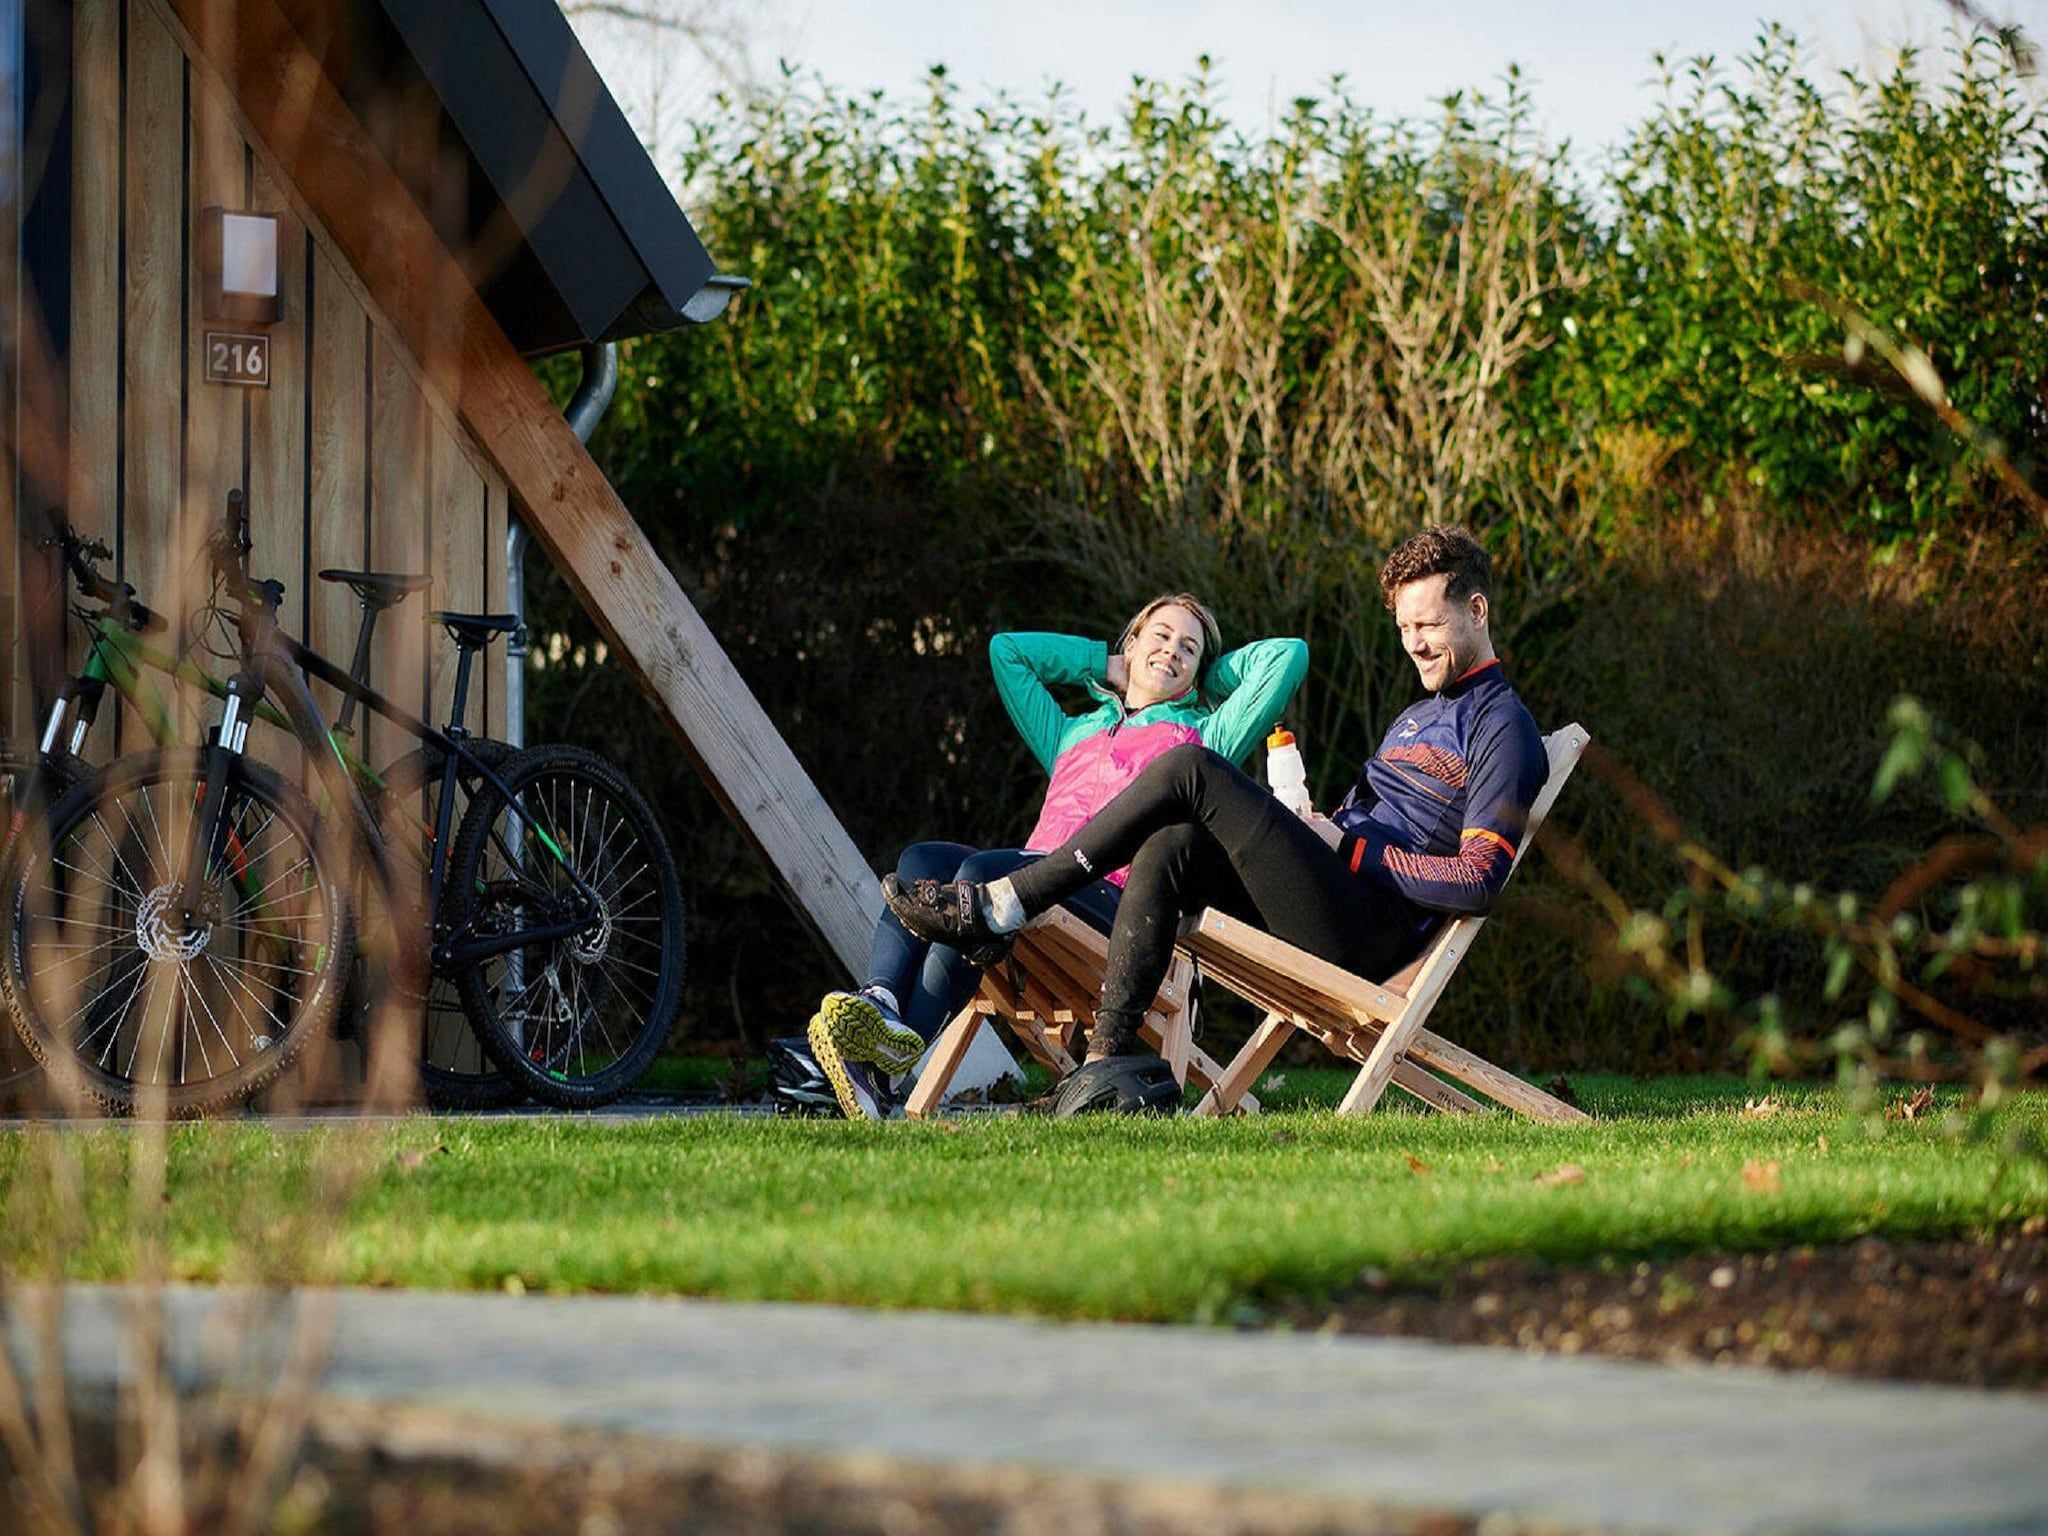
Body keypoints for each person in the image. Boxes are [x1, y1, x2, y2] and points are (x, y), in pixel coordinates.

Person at [883, 526, 1546, 1113]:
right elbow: (1368, 826)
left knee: (1189, 769)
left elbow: (1479, 879)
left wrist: (1344, 847)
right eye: (1403, 629)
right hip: (1334, 894)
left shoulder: (1502, 726)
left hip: (1370, 931)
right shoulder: (1416, 715)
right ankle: (1100, 1065)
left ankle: (1011, 900)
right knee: (1173, 841)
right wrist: (1319, 826)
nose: (1414, 645)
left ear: (1477, 609)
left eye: (1426, 625)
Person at [800, 595, 1308, 1119]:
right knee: (920, 861)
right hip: (1025, 891)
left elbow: (1288, 656)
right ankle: (881, 1003)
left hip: (1115, 904)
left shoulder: (1204, 737)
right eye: (1159, 635)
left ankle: (888, 1063)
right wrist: (1106, 662)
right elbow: (1007, 653)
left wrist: (1203, 676)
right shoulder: (1071, 734)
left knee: (978, 878)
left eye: (1189, 648)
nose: (1172, 650)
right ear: (1129, 643)